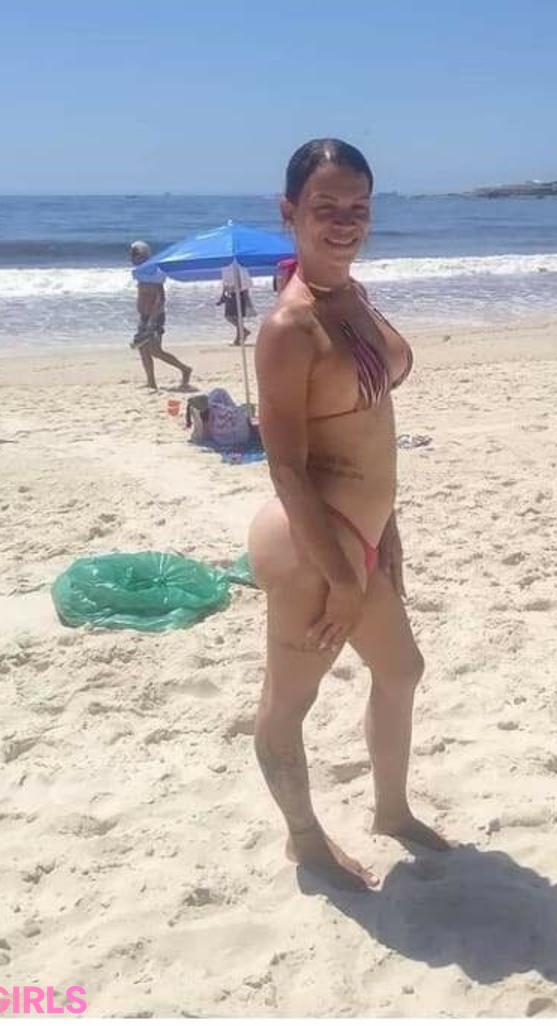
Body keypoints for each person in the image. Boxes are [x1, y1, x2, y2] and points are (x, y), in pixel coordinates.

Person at [247, 139, 448, 892]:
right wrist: (340, 576)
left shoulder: (353, 297)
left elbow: (369, 428)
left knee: (402, 671)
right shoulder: (289, 329)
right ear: (290, 211)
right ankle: (305, 841)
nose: (343, 222)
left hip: (362, 531)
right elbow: (288, 467)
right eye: (324, 207)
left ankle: (391, 811)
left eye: (357, 208)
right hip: (312, 546)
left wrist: (386, 525)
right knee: (286, 705)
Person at [130, 241, 192, 390]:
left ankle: (185, 369)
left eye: (135, 254)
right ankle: (151, 383)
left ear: (144, 256)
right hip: (144, 317)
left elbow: (160, 299)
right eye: (132, 254)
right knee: (142, 349)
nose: (132, 257)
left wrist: (152, 320)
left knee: (155, 351)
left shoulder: (154, 274)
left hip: (154, 318)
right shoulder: (141, 273)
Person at [216, 263, 256, 343]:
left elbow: (243, 279)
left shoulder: (235, 264)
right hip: (234, 292)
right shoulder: (230, 265)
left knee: (234, 316)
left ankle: (241, 335)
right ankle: (241, 334)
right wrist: (223, 296)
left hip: (238, 292)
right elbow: (226, 281)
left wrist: (223, 296)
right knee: (233, 316)